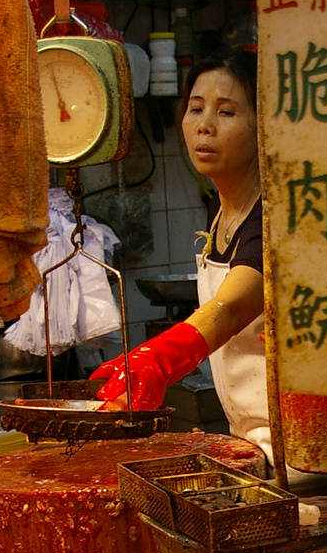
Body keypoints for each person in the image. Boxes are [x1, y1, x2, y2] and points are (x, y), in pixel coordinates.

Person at [92, 49, 273, 458]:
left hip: (299, 453)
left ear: (266, 126)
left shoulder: (274, 213)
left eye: (226, 113)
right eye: (195, 109)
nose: (204, 126)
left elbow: (231, 309)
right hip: (250, 443)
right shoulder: (219, 211)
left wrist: (155, 360)